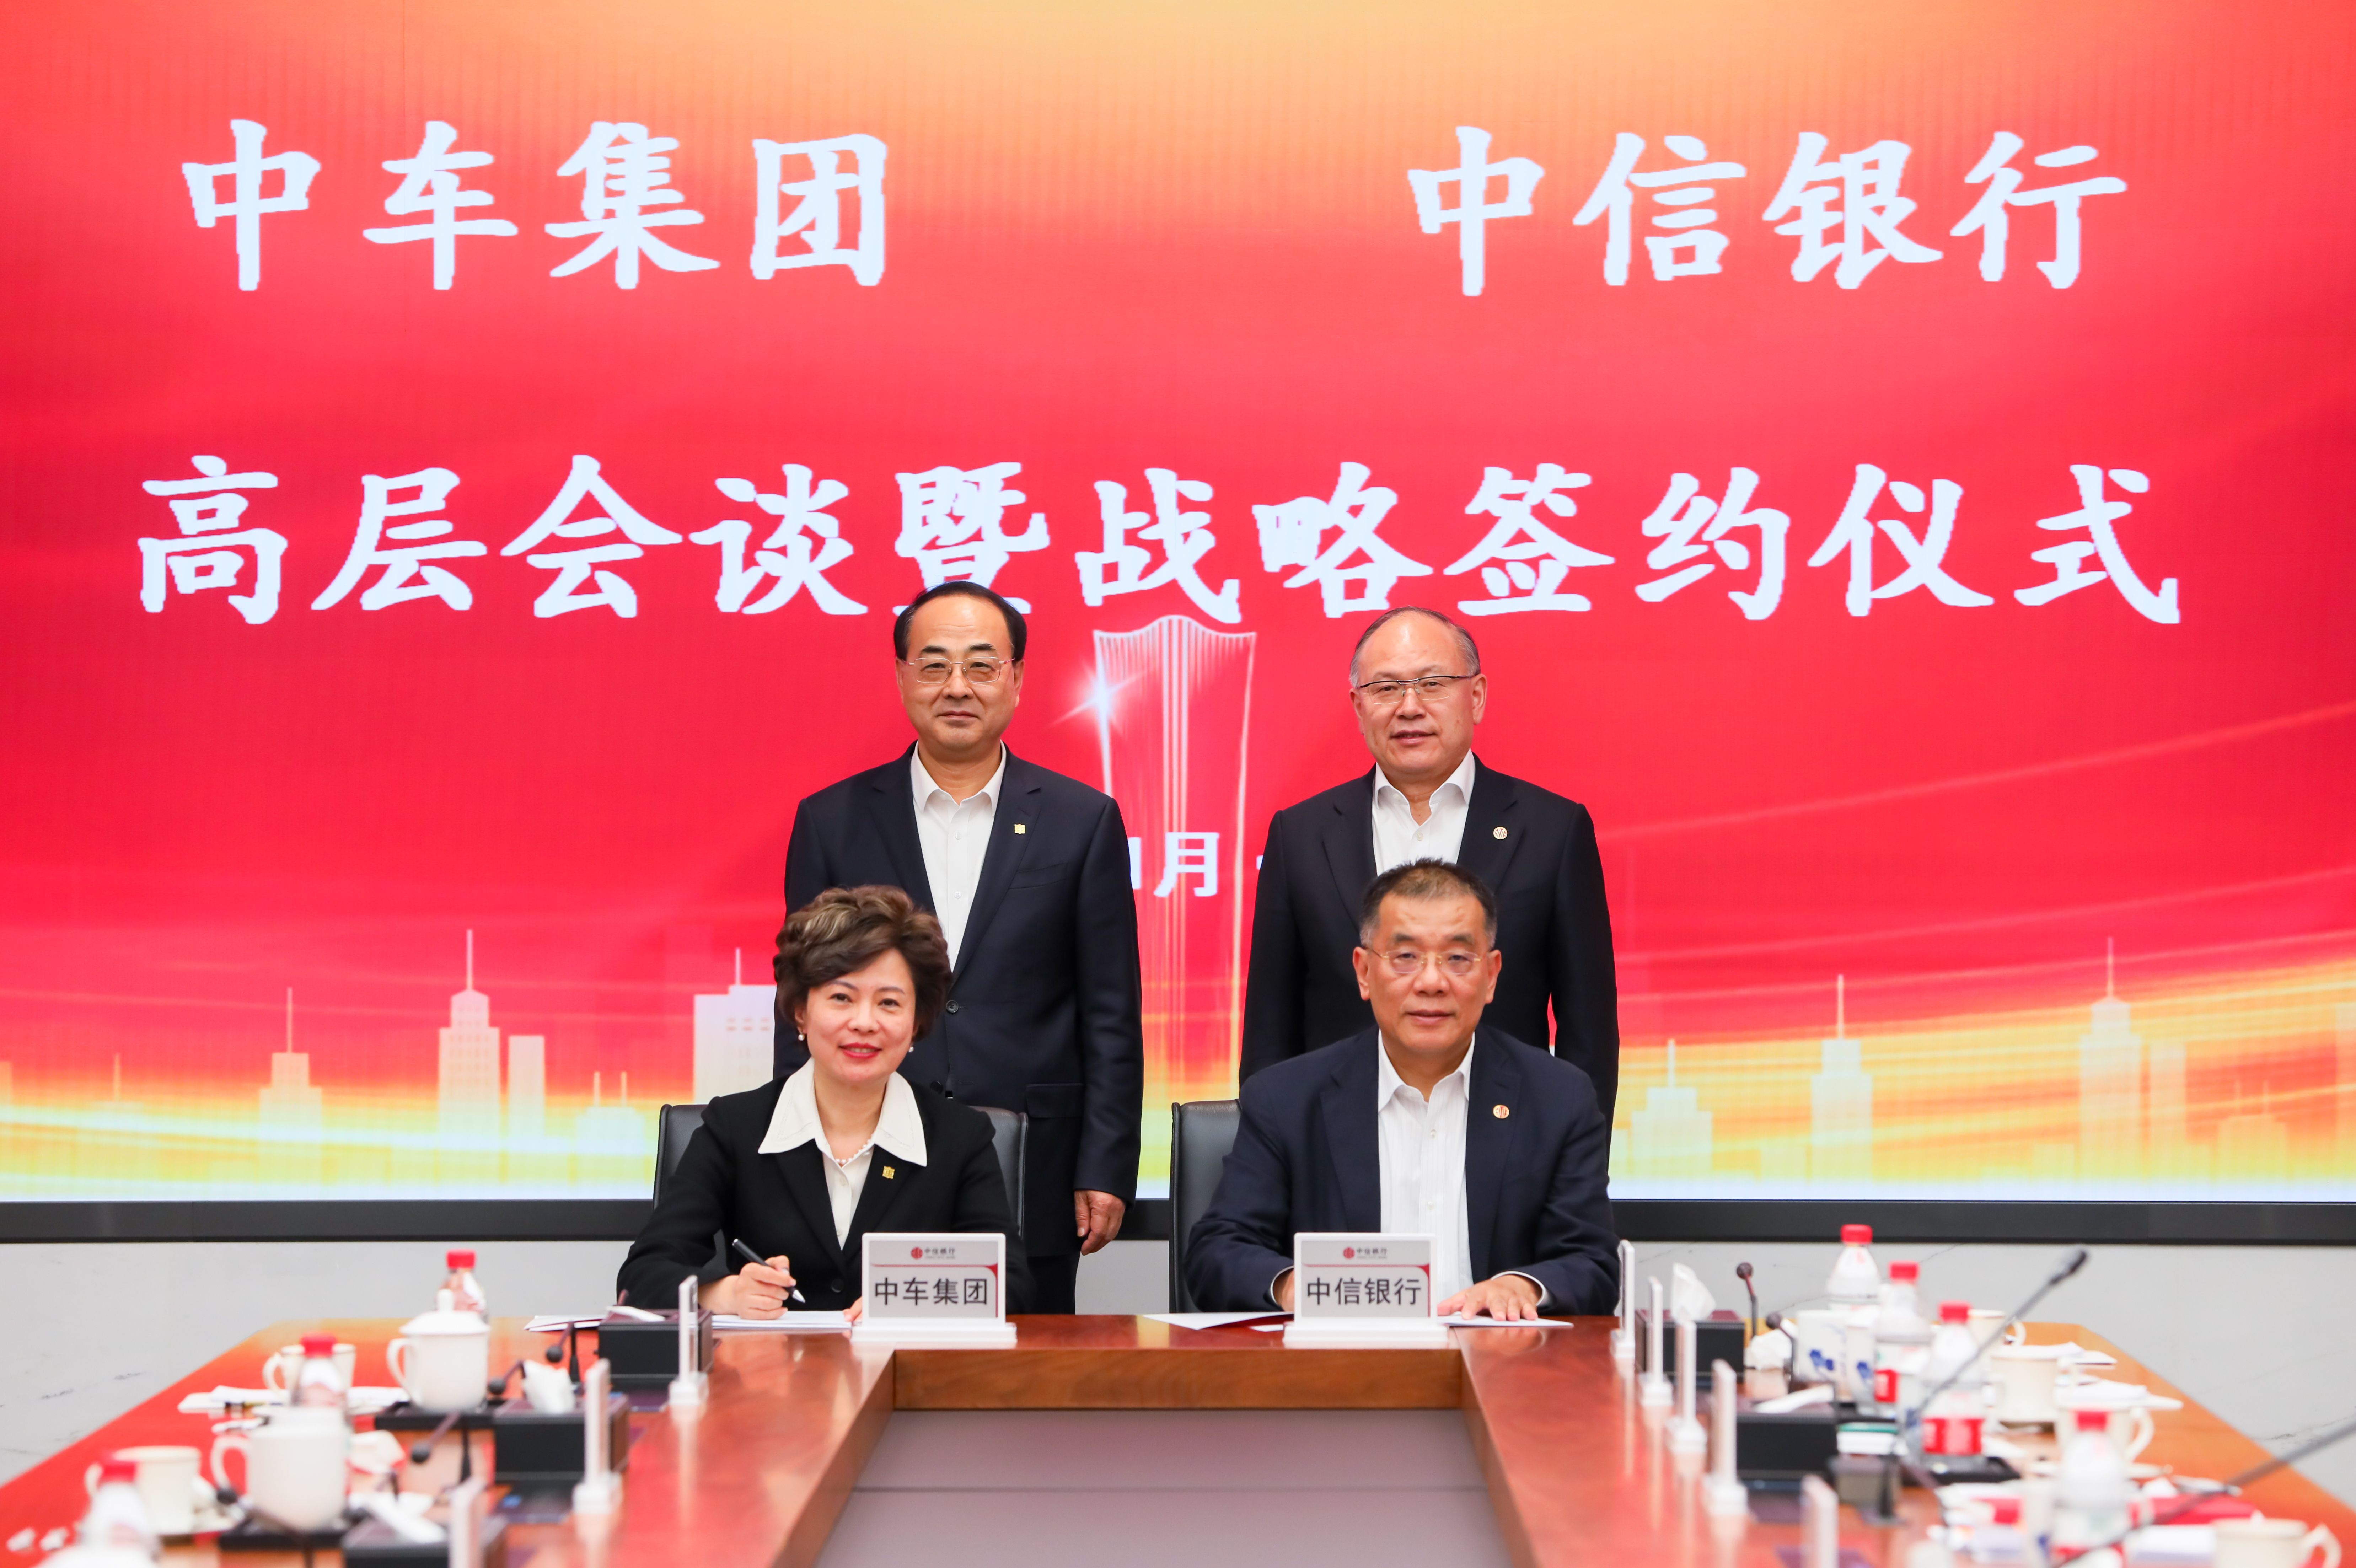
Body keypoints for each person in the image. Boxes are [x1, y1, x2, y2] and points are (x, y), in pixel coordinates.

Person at [776, 580, 1143, 1312]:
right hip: (866, 1151)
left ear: (1015, 678)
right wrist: (791, 1161)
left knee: (1025, 1361)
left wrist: (1105, 1164)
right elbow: (801, 1005)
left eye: (980, 665)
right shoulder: (831, 820)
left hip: (1035, 1159)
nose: (957, 687)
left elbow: (1110, 1010)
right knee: (863, 1355)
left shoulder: (1081, 820)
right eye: (934, 664)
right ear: (902, 675)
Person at [1186, 859, 1617, 1319]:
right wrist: (1304, 1287)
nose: (1431, 982)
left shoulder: (1557, 1098)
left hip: (1497, 1359)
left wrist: (1522, 1286)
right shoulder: (1286, 1098)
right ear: (1363, 971)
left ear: (1491, 975)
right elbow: (1218, 1252)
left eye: (1457, 958)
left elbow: (1592, 1262)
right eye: (1406, 957)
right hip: (1342, 1359)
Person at [1240, 606, 1621, 1120]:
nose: (1409, 707)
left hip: (1504, 1142)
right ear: (1358, 706)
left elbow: (1588, 1037)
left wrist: (1574, 1162)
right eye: (1386, 688)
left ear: (1476, 696)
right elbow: (1269, 1034)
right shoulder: (1301, 835)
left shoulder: (1552, 830)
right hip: (1336, 1145)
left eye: (1432, 684)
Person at [619, 886, 1028, 1316]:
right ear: (801, 1011)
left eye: (889, 1002)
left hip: (902, 1359)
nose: (864, 1022)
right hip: (771, 1360)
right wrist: (725, 1294)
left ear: (916, 1022)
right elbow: (643, 1275)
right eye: (841, 997)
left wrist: (910, 1302)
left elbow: (1012, 1284)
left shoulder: (959, 1137)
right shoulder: (735, 1127)